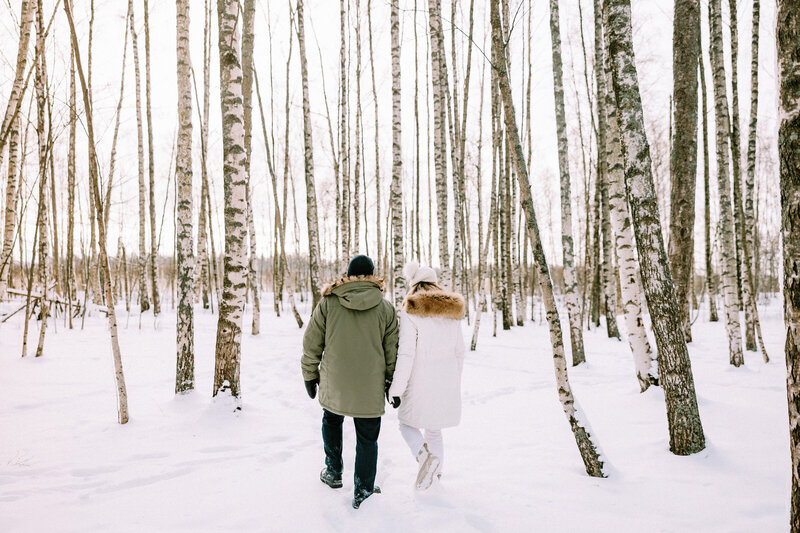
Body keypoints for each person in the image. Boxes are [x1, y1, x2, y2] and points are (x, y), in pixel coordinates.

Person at [301, 255, 399, 509]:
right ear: (373, 275)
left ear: (348, 274)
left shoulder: (328, 303)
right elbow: (393, 352)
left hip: (335, 381)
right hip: (369, 384)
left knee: (332, 419)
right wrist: (391, 382)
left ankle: (333, 472)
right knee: (368, 437)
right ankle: (363, 488)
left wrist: (309, 374)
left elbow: (312, 343)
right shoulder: (386, 308)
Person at [387, 262, 466, 490]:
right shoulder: (452, 313)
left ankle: (424, 458)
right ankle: (435, 477)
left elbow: (406, 353)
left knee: (405, 424)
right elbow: (459, 352)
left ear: (414, 285)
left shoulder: (411, 311)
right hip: (446, 381)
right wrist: (454, 380)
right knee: (434, 430)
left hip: (419, 383)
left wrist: (396, 389)